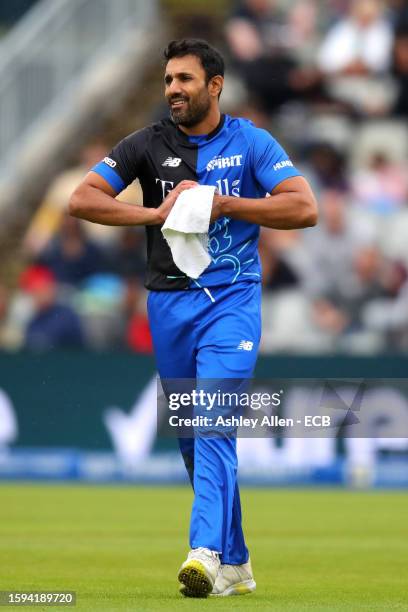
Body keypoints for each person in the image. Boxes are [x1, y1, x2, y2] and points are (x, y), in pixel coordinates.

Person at [69, 38, 317, 598]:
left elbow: (304, 207)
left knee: (211, 421)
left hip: (231, 301)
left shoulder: (252, 141)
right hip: (169, 306)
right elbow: (82, 199)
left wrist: (225, 203)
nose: (173, 90)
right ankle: (237, 561)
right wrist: (152, 213)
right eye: (168, 81)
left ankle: (203, 553)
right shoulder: (145, 145)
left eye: (184, 79)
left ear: (215, 85)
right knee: (192, 437)